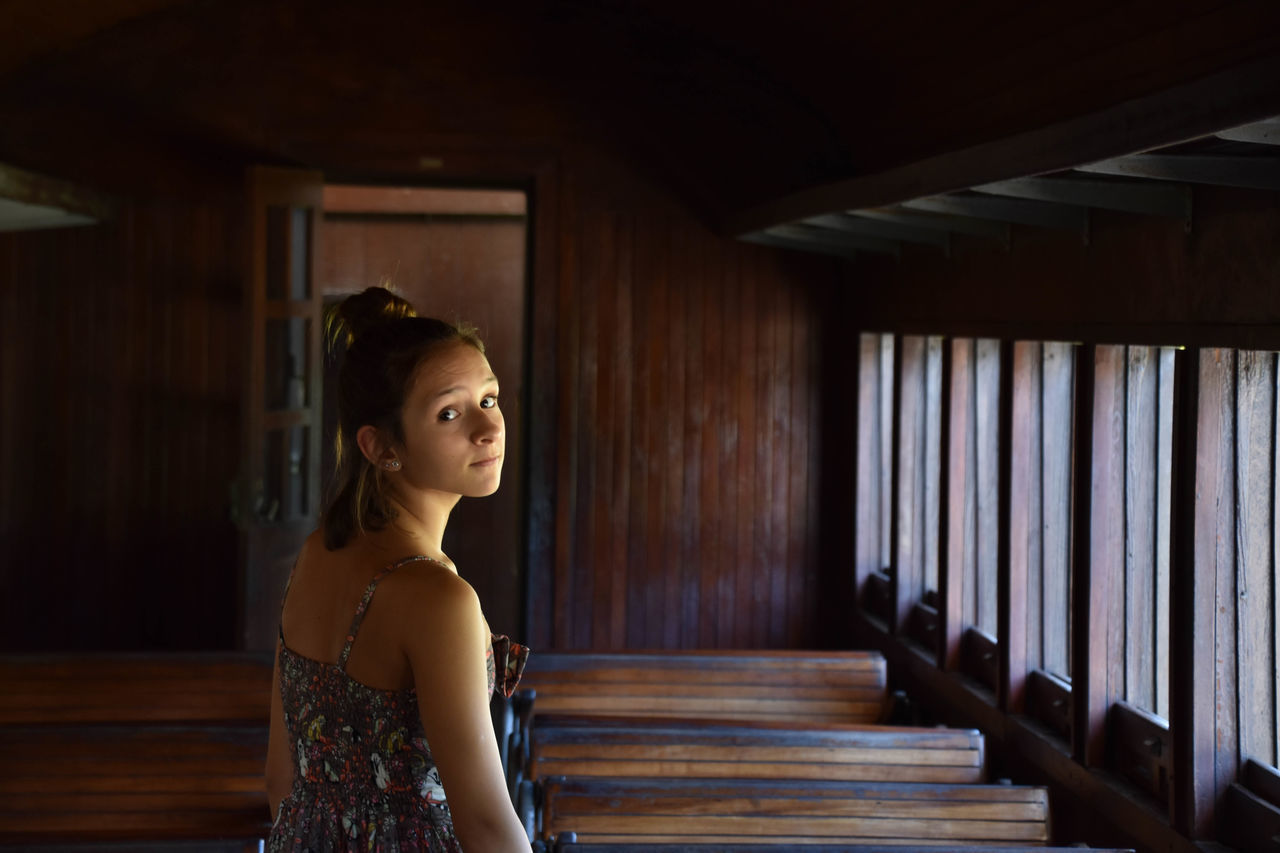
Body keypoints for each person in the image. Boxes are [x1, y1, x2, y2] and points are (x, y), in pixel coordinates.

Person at [265, 287, 531, 851]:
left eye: (489, 399)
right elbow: (486, 823)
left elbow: (280, 780)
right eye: (448, 413)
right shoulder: (437, 597)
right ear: (382, 446)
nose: (488, 430)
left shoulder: (316, 555)